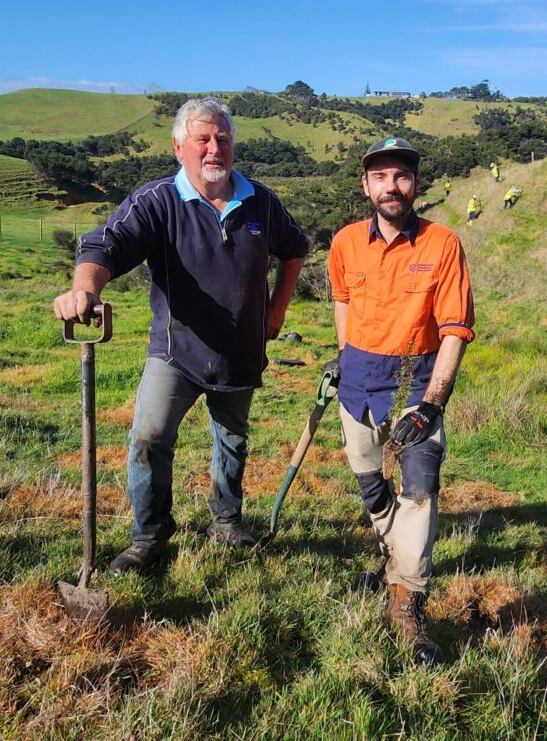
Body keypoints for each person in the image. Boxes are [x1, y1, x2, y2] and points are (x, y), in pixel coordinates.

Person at [52, 97, 309, 573]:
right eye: (203, 139)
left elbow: (295, 247)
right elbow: (104, 243)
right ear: (178, 147)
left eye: (223, 139)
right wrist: (84, 289)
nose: (215, 149)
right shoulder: (157, 202)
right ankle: (149, 536)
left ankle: (227, 521)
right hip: (176, 350)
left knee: (232, 439)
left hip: (240, 350)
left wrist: (278, 307)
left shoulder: (262, 202)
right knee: (149, 436)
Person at [327, 137, 475, 667]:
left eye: (402, 176)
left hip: (416, 382)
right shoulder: (345, 242)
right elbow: (343, 301)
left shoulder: (443, 243)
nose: (392, 187)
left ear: (415, 184)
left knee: (420, 490)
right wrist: (342, 358)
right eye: (381, 177)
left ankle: (408, 598)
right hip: (358, 380)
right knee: (372, 485)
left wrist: (434, 401)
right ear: (366, 186)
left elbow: (456, 328)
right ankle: (392, 551)